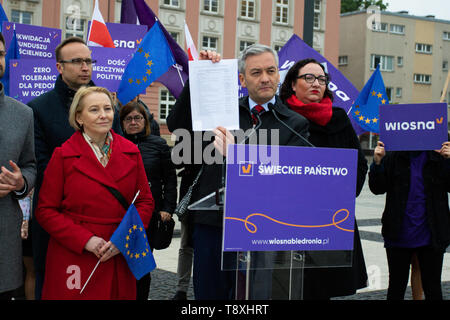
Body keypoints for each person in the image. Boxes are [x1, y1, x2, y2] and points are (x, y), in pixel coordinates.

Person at [166, 45, 310, 300]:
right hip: (212, 225)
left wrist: (238, 156)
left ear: (279, 75)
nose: (265, 78)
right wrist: (198, 76)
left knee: (254, 298)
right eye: (256, 72)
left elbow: (289, 182)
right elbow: (177, 124)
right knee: (209, 297)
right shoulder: (223, 110)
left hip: (262, 228)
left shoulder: (295, 124)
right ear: (242, 79)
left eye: (270, 71)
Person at [34, 86, 154, 300]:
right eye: (94, 110)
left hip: (117, 251)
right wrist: (85, 240)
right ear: (79, 117)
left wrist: (123, 239)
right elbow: (45, 210)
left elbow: (144, 201)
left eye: (108, 108)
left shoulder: (131, 152)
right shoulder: (63, 155)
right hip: (76, 255)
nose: (103, 115)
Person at [27, 36, 123, 299]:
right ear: (59, 67)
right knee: (55, 285)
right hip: (59, 216)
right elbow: (41, 165)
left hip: (105, 219)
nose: (86, 67)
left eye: (89, 61)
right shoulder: (37, 108)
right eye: (77, 61)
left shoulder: (107, 104)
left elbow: (118, 154)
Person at [279, 58, 368, 299]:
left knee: (322, 289)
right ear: (292, 84)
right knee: (287, 286)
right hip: (286, 221)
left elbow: (359, 164)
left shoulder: (339, 119)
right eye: (308, 78)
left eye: (321, 79)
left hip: (329, 219)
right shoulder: (279, 117)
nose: (316, 83)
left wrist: (343, 194)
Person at [368, 140, 450, 300]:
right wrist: (377, 162)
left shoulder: (439, 152)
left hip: (432, 234)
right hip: (398, 233)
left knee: (433, 288)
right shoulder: (393, 153)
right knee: (396, 288)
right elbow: (377, 188)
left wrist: (448, 161)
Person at [119, 101, 177, 300]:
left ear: (145, 121)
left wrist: (168, 207)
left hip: (149, 214)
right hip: (121, 214)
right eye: (128, 119)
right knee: (120, 264)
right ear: (122, 123)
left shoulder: (158, 144)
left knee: (141, 264)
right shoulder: (115, 144)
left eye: (138, 118)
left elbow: (170, 178)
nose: (133, 122)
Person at [0, 32, 36, 300]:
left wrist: (20, 181)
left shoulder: (22, 113)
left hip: (4, 236)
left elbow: (30, 165)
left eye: (0, 54)